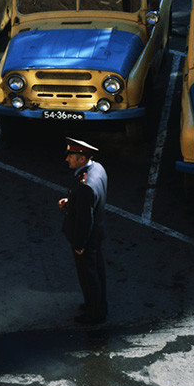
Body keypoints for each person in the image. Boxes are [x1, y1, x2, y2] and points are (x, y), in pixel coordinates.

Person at [58, 138, 108, 326]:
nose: (67, 160)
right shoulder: (97, 168)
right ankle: (99, 305)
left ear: (81, 159)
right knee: (98, 271)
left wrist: (79, 244)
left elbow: (86, 219)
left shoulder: (86, 184)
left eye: (70, 156)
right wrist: (71, 203)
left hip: (87, 238)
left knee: (88, 276)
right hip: (98, 232)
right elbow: (90, 202)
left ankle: (94, 314)